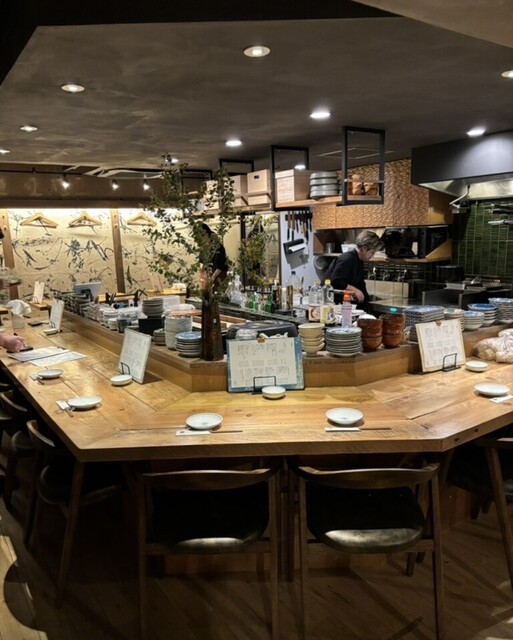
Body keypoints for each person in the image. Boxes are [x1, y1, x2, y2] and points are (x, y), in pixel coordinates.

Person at [329, 230, 384, 309]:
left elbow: (360, 284)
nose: (372, 256)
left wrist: (367, 304)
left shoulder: (359, 261)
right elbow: (336, 280)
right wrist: (355, 290)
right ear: (364, 248)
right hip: (332, 303)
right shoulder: (347, 259)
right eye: (372, 252)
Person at [198, 223, 229, 291]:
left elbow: (220, 266)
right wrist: (201, 275)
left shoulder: (218, 247)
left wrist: (212, 278)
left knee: (216, 293)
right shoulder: (204, 248)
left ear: (207, 234)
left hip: (219, 276)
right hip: (209, 276)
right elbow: (201, 263)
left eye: (202, 236)